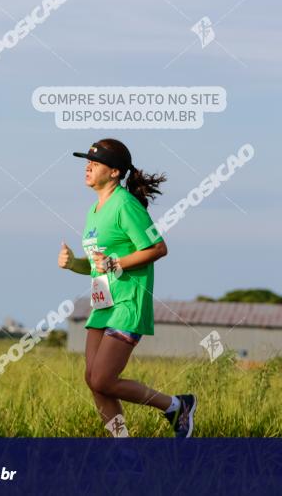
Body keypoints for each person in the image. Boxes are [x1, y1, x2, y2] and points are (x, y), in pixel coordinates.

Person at [58, 138, 196, 438]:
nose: (88, 166)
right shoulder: (95, 210)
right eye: (87, 161)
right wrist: (74, 265)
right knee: (93, 380)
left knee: (104, 379)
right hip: (103, 304)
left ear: (115, 172)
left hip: (127, 302)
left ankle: (175, 406)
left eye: (95, 162)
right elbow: (100, 265)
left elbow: (158, 248)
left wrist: (116, 262)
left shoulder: (126, 205)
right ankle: (122, 448)